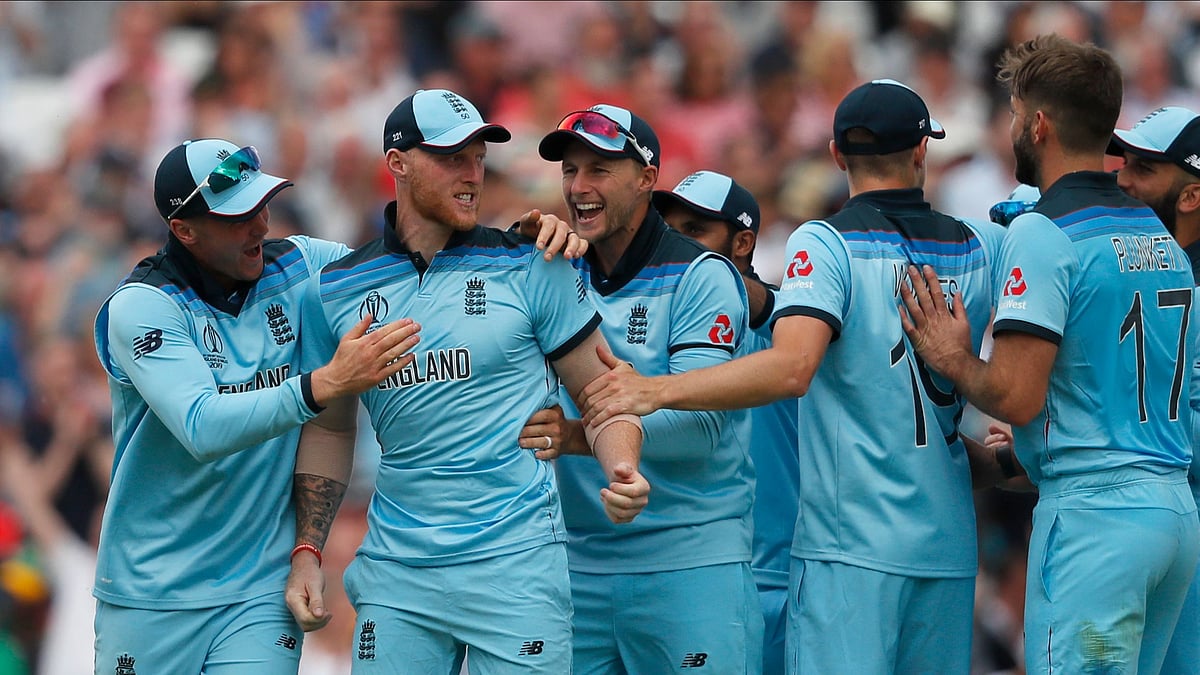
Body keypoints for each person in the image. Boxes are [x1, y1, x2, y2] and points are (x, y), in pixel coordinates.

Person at [579, 80, 1008, 674]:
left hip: (842, 553)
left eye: (697, 233)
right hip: (943, 546)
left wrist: (650, 391)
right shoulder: (982, 245)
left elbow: (792, 367)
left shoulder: (823, 250)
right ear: (920, 153)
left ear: (836, 154)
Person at [292, 88, 649, 674]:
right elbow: (329, 431)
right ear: (398, 163)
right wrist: (309, 549)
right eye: (452, 157)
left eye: (479, 157)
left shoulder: (535, 262)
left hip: (518, 567)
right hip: (398, 573)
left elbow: (603, 395)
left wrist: (621, 467)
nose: (472, 174)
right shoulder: (336, 289)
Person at [899, 35, 1200, 675]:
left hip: (1096, 523)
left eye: (1013, 114)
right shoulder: (1159, 233)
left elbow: (1015, 394)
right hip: (1174, 514)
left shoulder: (1043, 231)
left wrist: (951, 355)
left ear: (1037, 123)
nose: (1011, 129)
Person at [90, 138, 423, 674]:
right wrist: (324, 384)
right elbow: (203, 428)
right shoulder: (142, 307)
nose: (261, 224)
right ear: (184, 230)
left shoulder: (303, 265)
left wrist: (520, 247)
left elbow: (411, 264)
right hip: (152, 591)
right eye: (238, 215)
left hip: (259, 591)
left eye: (262, 204)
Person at [537, 104, 762, 673]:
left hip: (690, 565)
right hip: (575, 567)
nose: (579, 187)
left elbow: (702, 428)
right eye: (570, 171)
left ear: (646, 177)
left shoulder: (701, 275)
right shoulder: (551, 267)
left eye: (599, 170)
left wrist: (574, 436)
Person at [652, 169, 798, 675]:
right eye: (669, 230)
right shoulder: (661, 315)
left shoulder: (795, 327)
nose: (676, 243)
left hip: (782, 578)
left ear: (742, 242)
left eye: (694, 231)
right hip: (684, 569)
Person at [1107, 105, 1200, 675]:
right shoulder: (1134, 264)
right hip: (1148, 517)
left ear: (1190, 196)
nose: (1122, 180)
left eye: (1143, 168)